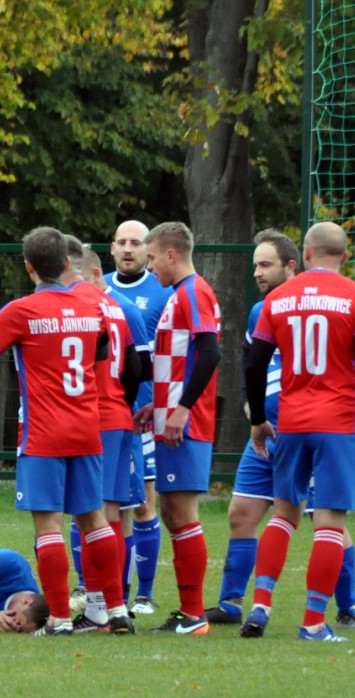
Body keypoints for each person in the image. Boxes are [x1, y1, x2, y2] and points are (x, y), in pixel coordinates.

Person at [0, 226, 133, 636]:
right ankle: (117, 609)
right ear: (67, 264)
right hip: (87, 429)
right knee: (96, 521)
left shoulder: (22, 311)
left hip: (45, 435)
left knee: (49, 526)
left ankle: (60, 619)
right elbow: (102, 351)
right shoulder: (92, 307)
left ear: (28, 267)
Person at [242, 221, 355, 642]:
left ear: (304, 255)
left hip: (292, 420)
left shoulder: (278, 298)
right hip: (339, 422)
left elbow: (253, 364)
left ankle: (261, 607)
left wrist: (256, 422)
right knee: (328, 523)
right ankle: (312, 623)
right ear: (344, 256)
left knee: (283, 513)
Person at [205, 230, 355, 629]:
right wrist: (252, 408)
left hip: (303, 427)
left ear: (294, 264)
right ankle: (232, 602)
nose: (257, 272)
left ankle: (346, 607)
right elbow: (250, 362)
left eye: (265, 265)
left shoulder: (329, 302)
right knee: (243, 512)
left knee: (324, 521)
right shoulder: (265, 309)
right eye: (255, 264)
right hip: (274, 432)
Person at [134, 222, 221, 635]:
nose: (150, 268)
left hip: (188, 423)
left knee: (182, 513)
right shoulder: (178, 295)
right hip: (172, 416)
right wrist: (160, 404)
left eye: (151, 258)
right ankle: (191, 613)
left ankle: (194, 615)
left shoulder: (194, 292)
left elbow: (210, 353)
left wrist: (183, 408)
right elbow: (181, 360)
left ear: (171, 254)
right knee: (170, 510)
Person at [62, 238, 149, 631]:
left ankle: (101, 605)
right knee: (111, 514)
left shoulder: (76, 302)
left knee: (89, 515)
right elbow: (134, 368)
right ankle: (112, 606)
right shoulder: (115, 306)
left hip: (89, 416)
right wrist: (120, 403)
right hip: (117, 415)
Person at [105, 219, 174, 615]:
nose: (129, 249)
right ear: (111, 249)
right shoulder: (99, 291)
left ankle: (144, 594)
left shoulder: (162, 291)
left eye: (136, 242)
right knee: (104, 506)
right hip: (106, 417)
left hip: (143, 417)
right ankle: (102, 588)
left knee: (145, 505)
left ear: (148, 250)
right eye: (122, 242)